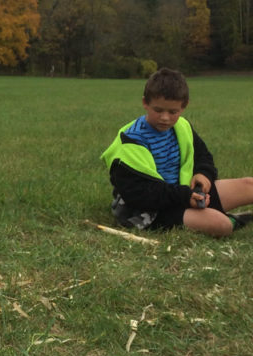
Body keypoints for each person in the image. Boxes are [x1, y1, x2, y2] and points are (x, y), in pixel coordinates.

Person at [101, 67, 253, 237]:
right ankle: (232, 219)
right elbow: (139, 195)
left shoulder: (182, 127)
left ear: (184, 106)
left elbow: (203, 157)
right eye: (158, 110)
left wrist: (203, 174)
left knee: (249, 185)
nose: (165, 118)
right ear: (145, 103)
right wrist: (185, 196)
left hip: (185, 193)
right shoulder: (130, 141)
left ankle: (208, 213)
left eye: (173, 112)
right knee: (221, 225)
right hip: (150, 210)